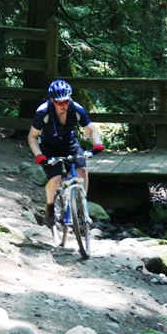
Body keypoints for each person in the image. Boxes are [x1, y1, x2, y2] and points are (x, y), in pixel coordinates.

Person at [28, 79, 104, 226]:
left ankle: (82, 205)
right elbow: (32, 136)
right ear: (52, 100)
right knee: (55, 178)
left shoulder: (76, 109)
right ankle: (50, 205)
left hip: (69, 143)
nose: (64, 105)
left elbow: (90, 130)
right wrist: (39, 155)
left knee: (82, 172)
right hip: (49, 147)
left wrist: (98, 143)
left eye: (66, 101)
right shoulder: (43, 112)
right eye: (59, 102)